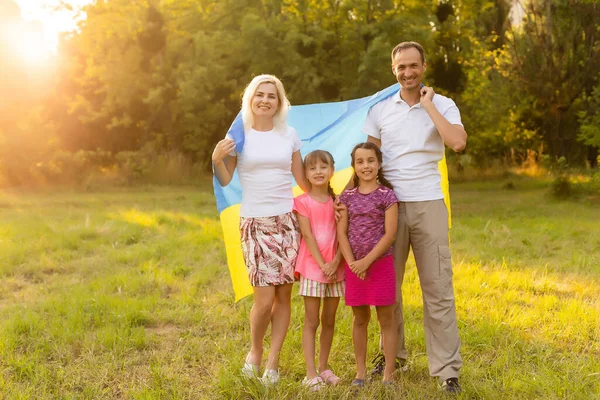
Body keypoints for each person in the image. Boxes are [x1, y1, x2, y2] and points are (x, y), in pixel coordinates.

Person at [363, 41, 467, 394]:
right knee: (386, 290)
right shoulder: (379, 110)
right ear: (393, 70)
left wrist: (428, 106)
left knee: (437, 289)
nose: (407, 72)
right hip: (388, 206)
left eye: (413, 66)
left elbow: (457, 143)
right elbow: (368, 162)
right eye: (400, 67)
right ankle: (393, 356)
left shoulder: (443, 104)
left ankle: (447, 369)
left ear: (424, 66)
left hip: (429, 204)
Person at [212, 74, 309, 385]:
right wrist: (216, 159)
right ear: (250, 99)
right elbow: (226, 180)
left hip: (287, 222)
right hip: (254, 223)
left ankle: (273, 363)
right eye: (260, 95)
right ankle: (254, 352)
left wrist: (329, 201)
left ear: (279, 102)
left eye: (272, 95)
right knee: (264, 300)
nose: (265, 100)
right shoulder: (239, 136)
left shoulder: (290, 134)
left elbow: (302, 179)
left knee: (284, 297)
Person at [337, 142, 399, 386]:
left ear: (379, 164)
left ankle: (389, 375)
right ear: (354, 165)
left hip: (380, 265)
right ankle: (360, 373)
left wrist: (367, 261)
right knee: (360, 319)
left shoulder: (387, 196)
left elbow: (389, 234)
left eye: (370, 161)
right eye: (360, 161)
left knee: (387, 320)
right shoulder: (347, 198)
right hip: (355, 268)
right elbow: (341, 233)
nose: (366, 166)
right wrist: (353, 263)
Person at [293, 150, 345, 391]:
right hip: (313, 269)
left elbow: (344, 236)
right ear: (306, 173)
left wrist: (335, 262)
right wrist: (323, 264)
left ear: (332, 170)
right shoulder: (303, 202)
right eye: (312, 168)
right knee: (312, 320)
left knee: (329, 320)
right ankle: (310, 372)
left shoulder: (339, 203)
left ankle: (324, 368)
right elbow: (307, 234)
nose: (318, 172)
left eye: (323, 167)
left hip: (336, 270)